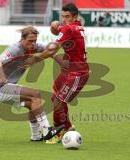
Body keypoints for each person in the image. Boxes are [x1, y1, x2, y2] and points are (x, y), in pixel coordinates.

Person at [0, 26, 64, 141]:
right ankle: (47, 130)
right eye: (30, 41)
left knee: (32, 103)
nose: (33, 43)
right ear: (22, 39)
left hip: (8, 86)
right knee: (35, 94)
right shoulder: (14, 49)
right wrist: (2, 76)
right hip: (0, 88)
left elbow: (50, 51)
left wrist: (60, 61)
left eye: (35, 40)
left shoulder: (33, 47)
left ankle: (36, 136)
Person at [47, 3, 90, 143]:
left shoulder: (69, 28)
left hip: (77, 72)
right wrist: (56, 26)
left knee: (59, 101)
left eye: (67, 17)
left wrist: (38, 56)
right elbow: (60, 30)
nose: (64, 19)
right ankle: (68, 126)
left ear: (75, 17)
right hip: (69, 70)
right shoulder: (76, 26)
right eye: (62, 16)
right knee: (55, 97)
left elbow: (54, 46)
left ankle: (58, 131)